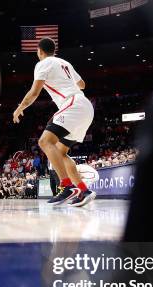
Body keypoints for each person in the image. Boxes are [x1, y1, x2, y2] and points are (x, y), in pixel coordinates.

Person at [13, 37, 96, 207]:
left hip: (73, 104)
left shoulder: (43, 64)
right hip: (85, 106)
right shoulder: (64, 62)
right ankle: (83, 190)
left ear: (40, 51)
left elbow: (34, 92)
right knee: (61, 151)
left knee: (44, 141)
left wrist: (20, 108)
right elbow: (82, 84)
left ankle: (66, 186)